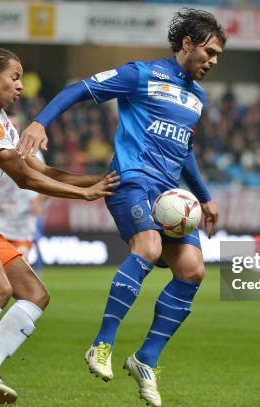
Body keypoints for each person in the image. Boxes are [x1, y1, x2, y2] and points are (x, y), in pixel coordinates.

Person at [18, 8, 225, 406]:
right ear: (187, 44)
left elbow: (184, 150)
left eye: (218, 56)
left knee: (193, 271)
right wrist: (41, 122)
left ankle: (146, 359)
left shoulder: (197, 97)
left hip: (170, 196)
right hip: (129, 181)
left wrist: (205, 196)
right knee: (146, 249)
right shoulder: (141, 74)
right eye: (210, 51)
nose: (213, 61)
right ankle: (101, 344)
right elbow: (80, 88)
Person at [0, 47, 119, 407]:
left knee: (35, 294)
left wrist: (98, 180)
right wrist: (86, 195)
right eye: (15, 77)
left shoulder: (3, 123)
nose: (21, 86)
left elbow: (42, 170)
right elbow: (25, 178)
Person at [0, 117, 48, 305]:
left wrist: (39, 200)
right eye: (7, 125)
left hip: (22, 225)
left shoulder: (32, 154)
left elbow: (48, 181)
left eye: (14, 126)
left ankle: (13, 328)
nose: (10, 128)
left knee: (26, 289)